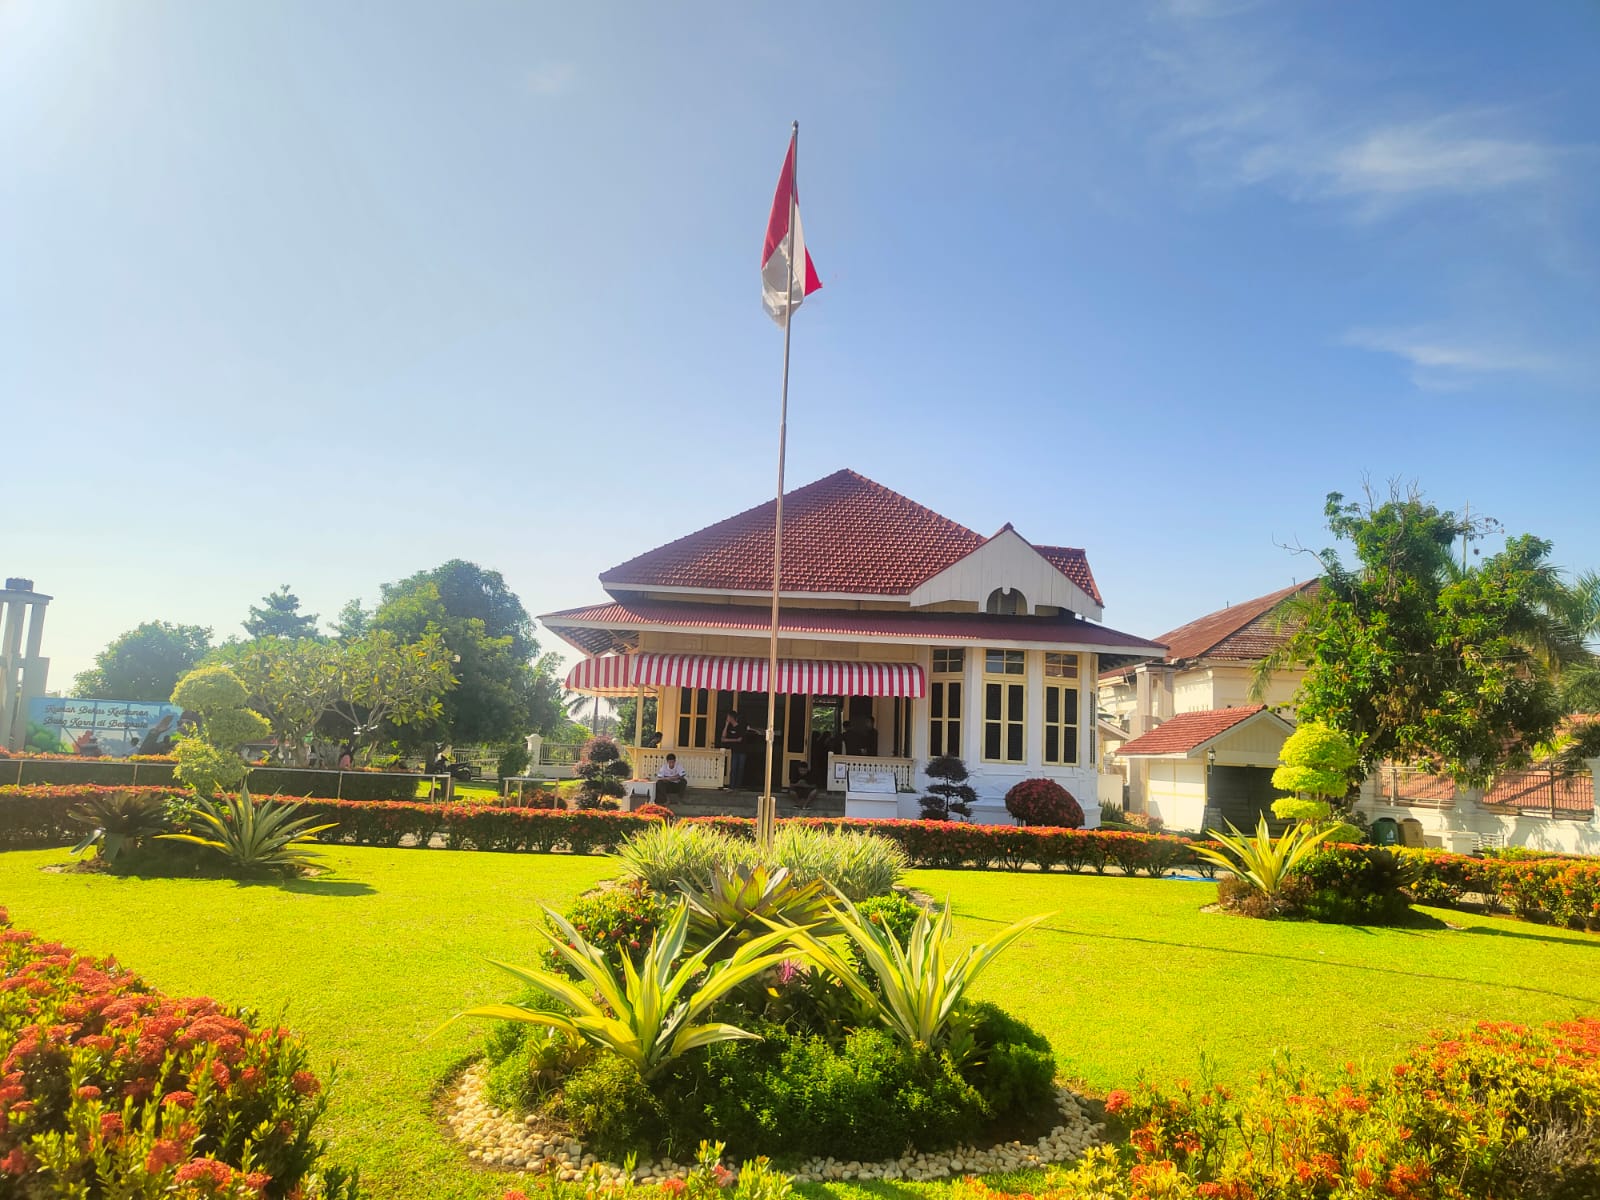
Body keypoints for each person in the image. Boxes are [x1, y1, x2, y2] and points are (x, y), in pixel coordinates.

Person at [719, 709, 747, 789]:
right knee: (733, 769)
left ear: (731, 717)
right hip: (734, 751)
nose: (727, 718)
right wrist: (726, 725)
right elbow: (723, 738)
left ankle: (738, 786)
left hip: (742, 751)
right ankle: (732, 786)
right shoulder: (729, 727)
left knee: (740, 769)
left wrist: (729, 740)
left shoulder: (740, 727)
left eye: (728, 717)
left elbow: (740, 739)